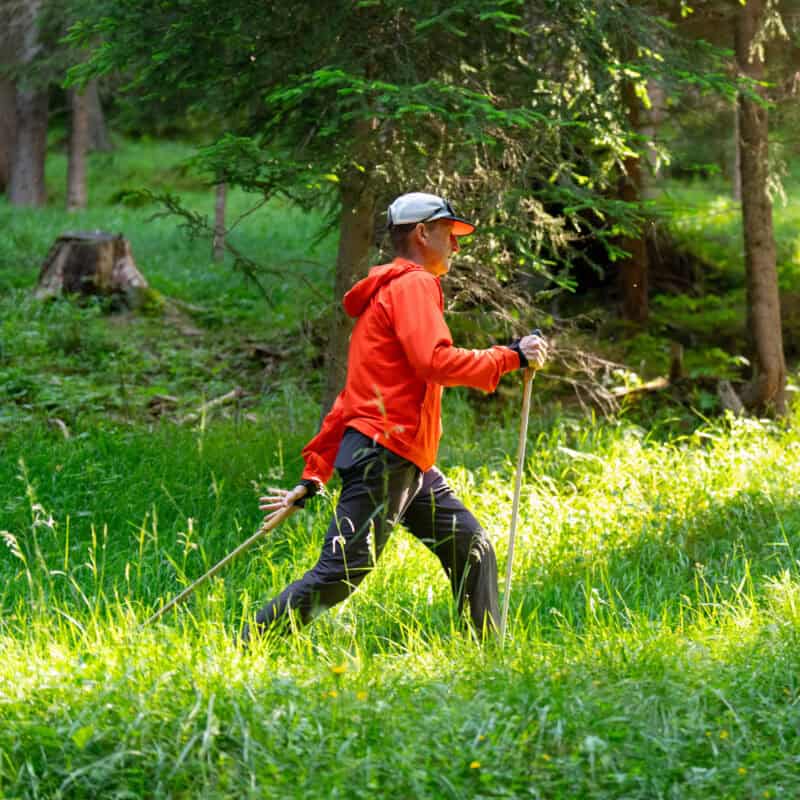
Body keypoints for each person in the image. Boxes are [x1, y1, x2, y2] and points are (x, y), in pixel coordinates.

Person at [243, 192, 547, 642]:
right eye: (449, 234)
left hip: (404, 460)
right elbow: (435, 361)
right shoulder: (412, 285)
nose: (456, 246)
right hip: (386, 456)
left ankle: (488, 657)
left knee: (472, 547)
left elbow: (351, 400)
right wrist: (510, 357)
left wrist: (314, 475)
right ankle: (249, 643)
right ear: (422, 233)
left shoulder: (387, 293)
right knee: (343, 571)